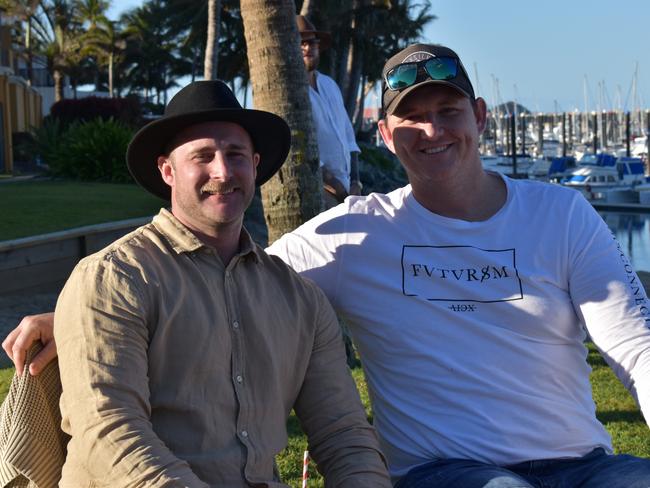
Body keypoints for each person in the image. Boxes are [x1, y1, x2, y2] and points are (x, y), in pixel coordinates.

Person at [6, 45, 650, 487]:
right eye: (412, 119)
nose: (433, 131)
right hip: (448, 471)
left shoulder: (562, 215)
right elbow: (118, 415)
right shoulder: (353, 234)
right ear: (385, 135)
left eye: (448, 112)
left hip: (582, 462)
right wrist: (70, 311)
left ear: (478, 117)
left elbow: (635, 344)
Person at [15, 80, 390, 487]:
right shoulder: (114, 279)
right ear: (168, 171)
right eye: (203, 156)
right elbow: (110, 435)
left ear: (256, 164)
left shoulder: (300, 299)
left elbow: (344, 435)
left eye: (235, 155)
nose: (223, 171)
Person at [297, 15, 362, 207]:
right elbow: (299, 148)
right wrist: (334, 185)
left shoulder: (329, 84)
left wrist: (355, 182)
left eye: (312, 42)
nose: (308, 47)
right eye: (301, 42)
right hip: (319, 189)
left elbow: (349, 138)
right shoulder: (291, 93)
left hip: (348, 189)